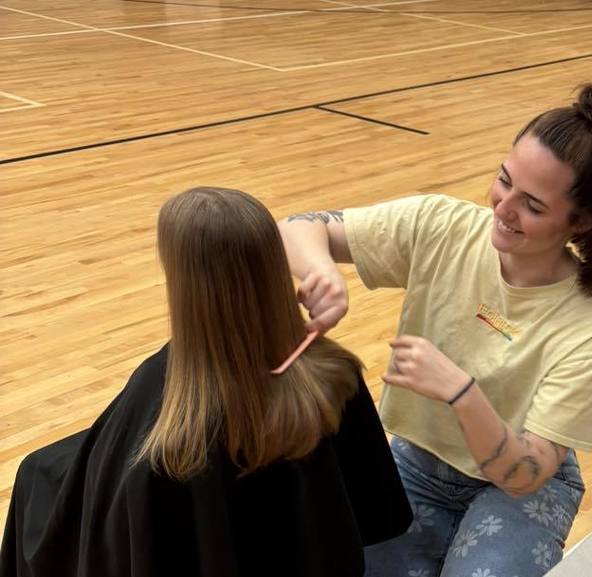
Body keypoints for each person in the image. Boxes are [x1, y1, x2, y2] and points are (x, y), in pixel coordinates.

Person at [277, 82, 592, 577]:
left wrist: (461, 393)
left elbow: (525, 474)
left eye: (533, 206)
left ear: (582, 223)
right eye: (504, 180)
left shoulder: (589, 328)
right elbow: (298, 227)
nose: (503, 207)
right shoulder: (443, 226)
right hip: (419, 461)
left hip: (521, 487)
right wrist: (322, 271)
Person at [0, 187, 411, 577]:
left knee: (37, 470)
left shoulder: (169, 419)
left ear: (184, 283)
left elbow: (117, 517)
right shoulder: (335, 371)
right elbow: (373, 509)